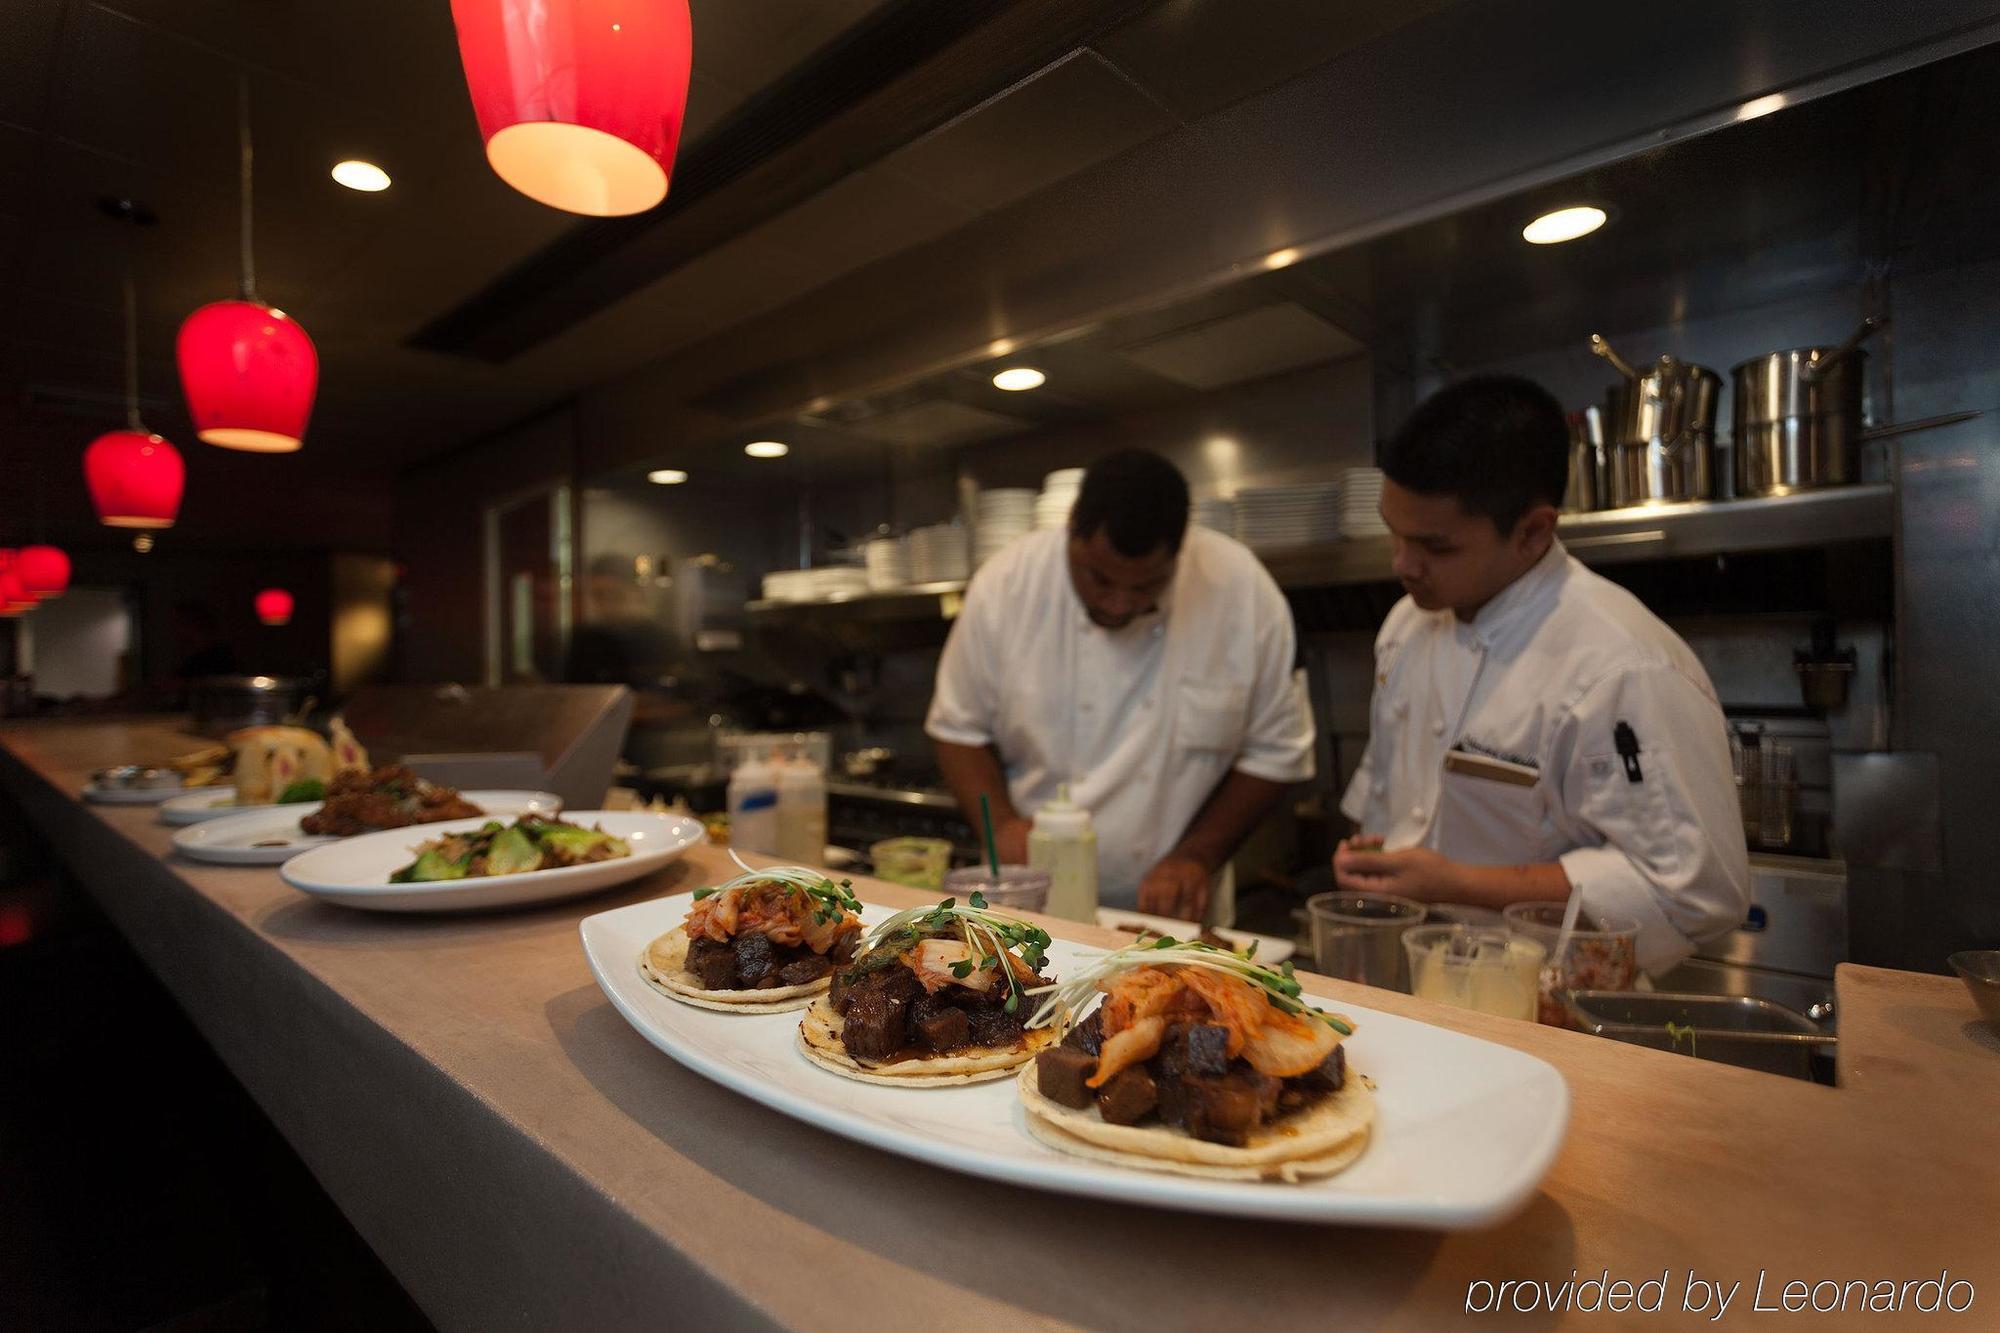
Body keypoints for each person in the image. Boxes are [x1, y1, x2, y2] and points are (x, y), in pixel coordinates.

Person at [1335, 376, 1750, 973]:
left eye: (1435, 546)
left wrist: (1454, 883)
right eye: (1393, 532)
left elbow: (1695, 892)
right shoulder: (1406, 626)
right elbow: (1387, 790)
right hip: (1421, 986)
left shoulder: (1623, 665)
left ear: (1533, 532)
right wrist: (1371, 858)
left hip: (1554, 1002)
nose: (1402, 564)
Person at [926, 449, 1315, 921]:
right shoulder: (1005, 587)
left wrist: (1198, 855)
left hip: (1175, 916)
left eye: (1146, 587)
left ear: (1181, 549)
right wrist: (1004, 827)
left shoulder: (1243, 592)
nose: (1118, 604)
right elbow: (957, 730)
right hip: (1034, 904)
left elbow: (1276, 752)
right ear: (1071, 527)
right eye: (1099, 578)